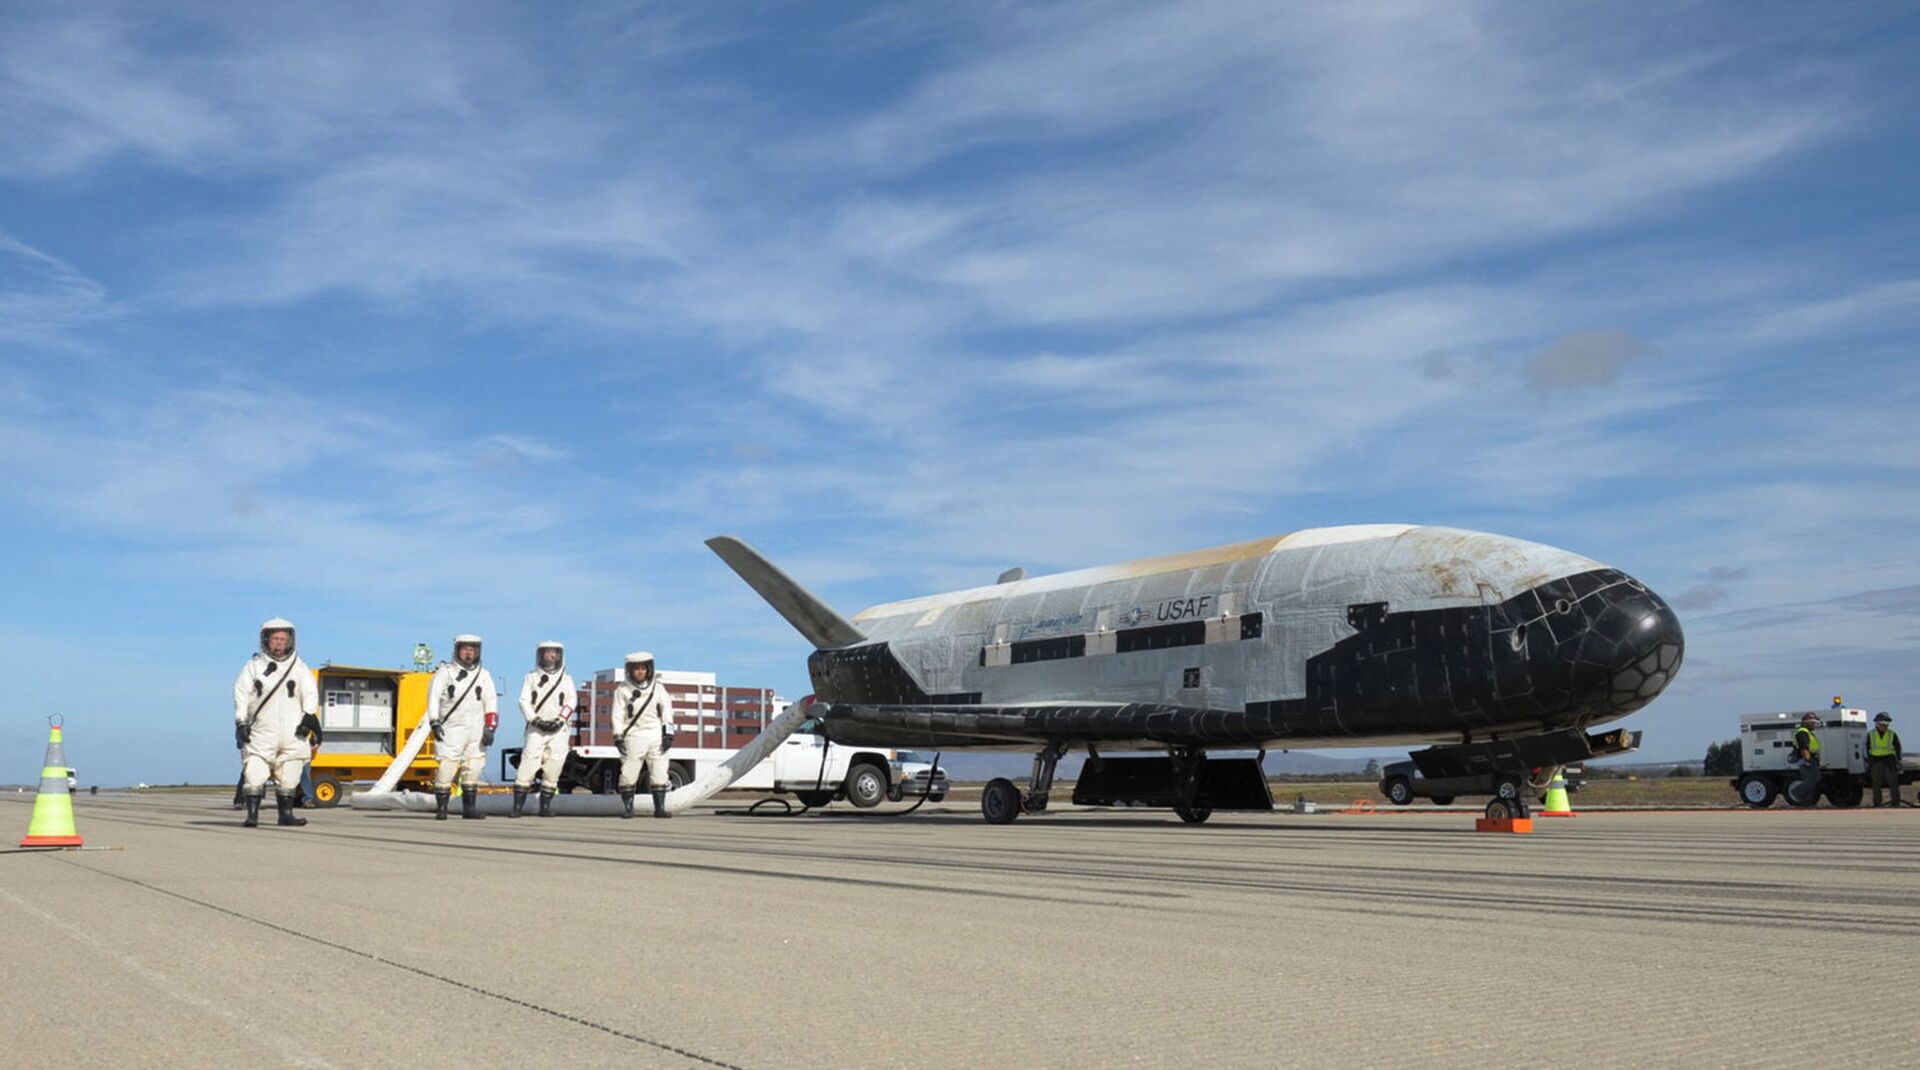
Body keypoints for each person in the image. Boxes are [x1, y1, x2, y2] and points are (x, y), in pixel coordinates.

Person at [231, 617, 321, 828]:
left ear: (291, 641)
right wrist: (241, 722)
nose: (279, 643)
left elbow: (310, 692)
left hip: (293, 731)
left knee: (290, 773)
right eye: (275, 639)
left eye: (283, 639)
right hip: (262, 730)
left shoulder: (299, 668)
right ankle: (252, 814)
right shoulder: (253, 667)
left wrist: (309, 716)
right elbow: (241, 694)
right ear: (266, 640)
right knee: (254, 770)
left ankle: (286, 814)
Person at [426, 634, 498, 820]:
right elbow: (433, 697)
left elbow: (490, 701)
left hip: (476, 728)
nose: (469, 653)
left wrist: (490, 727)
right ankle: (442, 809)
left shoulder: (484, 675)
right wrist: (434, 721)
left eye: (472, 650)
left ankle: (469, 809)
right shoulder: (445, 672)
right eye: (465, 649)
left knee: (473, 767)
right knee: (446, 767)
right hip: (451, 727)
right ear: (457, 650)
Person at [512, 640, 576, 818]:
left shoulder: (567, 679)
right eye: (547, 653)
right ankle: (517, 808)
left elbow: (571, 702)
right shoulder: (531, 677)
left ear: (560, 655)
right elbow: (523, 701)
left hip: (559, 731)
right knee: (528, 763)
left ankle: (545, 807)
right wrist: (535, 719)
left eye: (554, 653)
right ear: (540, 655)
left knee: (554, 765)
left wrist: (560, 720)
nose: (551, 656)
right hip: (536, 729)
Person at [611, 651, 677, 819]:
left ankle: (660, 808)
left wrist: (668, 734)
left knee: (660, 772)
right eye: (636, 669)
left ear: (649, 669)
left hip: (655, 735)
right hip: (634, 736)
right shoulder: (622, 690)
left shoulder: (658, 688)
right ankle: (628, 808)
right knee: (628, 773)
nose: (640, 672)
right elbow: (617, 715)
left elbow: (667, 712)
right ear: (629, 670)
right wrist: (618, 736)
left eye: (643, 668)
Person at [1867, 712, 1903, 808]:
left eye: (1886, 725)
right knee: (1876, 784)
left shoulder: (1892, 734)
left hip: (1889, 761)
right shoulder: (1871, 734)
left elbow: (1897, 747)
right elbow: (1866, 748)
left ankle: (1896, 803)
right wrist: (1868, 760)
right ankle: (1877, 803)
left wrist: (1899, 760)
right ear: (1877, 724)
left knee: (1893, 783)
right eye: (1883, 724)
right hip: (1876, 761)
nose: (1885, 727)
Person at [1788, 711, 1823, 806]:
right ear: (1806, 722)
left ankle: (1807, 802)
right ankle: (1797, 791)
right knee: (1814, 779)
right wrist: (1808, 760)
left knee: (1810, 780)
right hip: (1807, 760)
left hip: (1810, 759)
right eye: (1813, 723)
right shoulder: (1802, 732)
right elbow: (1804, 747)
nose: (1814, 725)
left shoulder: (1807, 732)